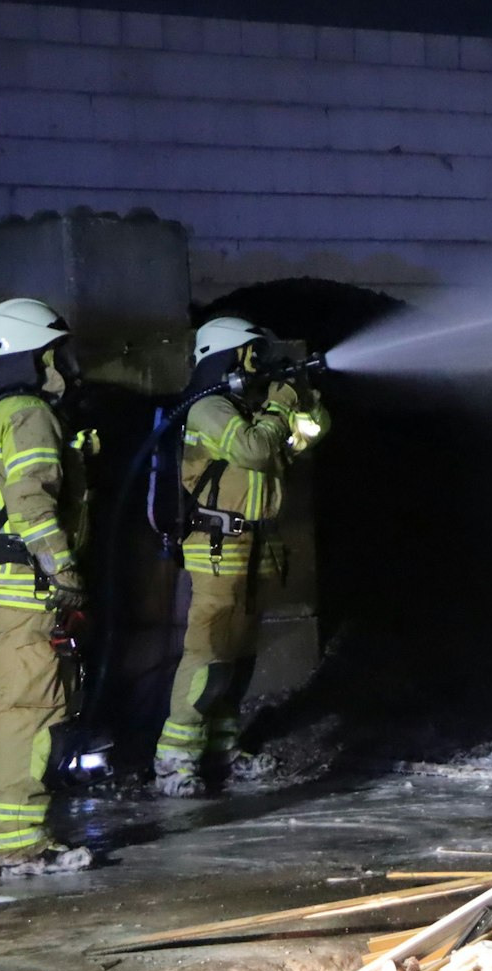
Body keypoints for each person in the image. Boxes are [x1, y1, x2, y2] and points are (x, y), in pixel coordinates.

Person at [153, 317, 328, 797]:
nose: (259, 364)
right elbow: (251, 449)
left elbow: (307, 438)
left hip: (256, 543)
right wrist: (277, 404)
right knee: (209, 651)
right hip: (217, 545)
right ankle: (176, 759)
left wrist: (301, 399)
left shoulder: (251, 411)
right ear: (230, 356)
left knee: (240, 652)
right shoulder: (208, 408)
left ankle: (222, 750)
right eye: (254, 355)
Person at [0, 297, 94, 875]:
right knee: (36, 711)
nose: (62, 364)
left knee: (6, 714)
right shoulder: (26, 412)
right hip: (28, 588)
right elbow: (31, 501)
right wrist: (62, 570)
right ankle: (20, 845)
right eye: (52, 352)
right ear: (29, 354)